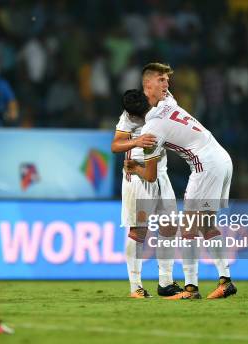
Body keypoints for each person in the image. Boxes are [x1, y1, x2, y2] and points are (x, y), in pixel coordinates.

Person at [122, 88, 237, 299]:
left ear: (132, 116)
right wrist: (161, 83)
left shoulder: (150, 130)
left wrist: (134, 168)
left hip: (205, 165)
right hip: (223, 158)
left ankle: (191, 289)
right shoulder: (167, 105)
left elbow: (149, 175)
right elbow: (166, 90)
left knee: (188, 228)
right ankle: (225, 281)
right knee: (207, 224)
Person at [111, 62, 183, 299]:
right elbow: (115, 145)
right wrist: (135, 142)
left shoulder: (168, 103)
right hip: (138, 176)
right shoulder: (131, 111)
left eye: (167, 80)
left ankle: (166, 282)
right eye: (162, 80)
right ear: (148, 84)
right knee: (138, 231)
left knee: (169, 226)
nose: (167, 84)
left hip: (161, 173)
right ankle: (135, 287)